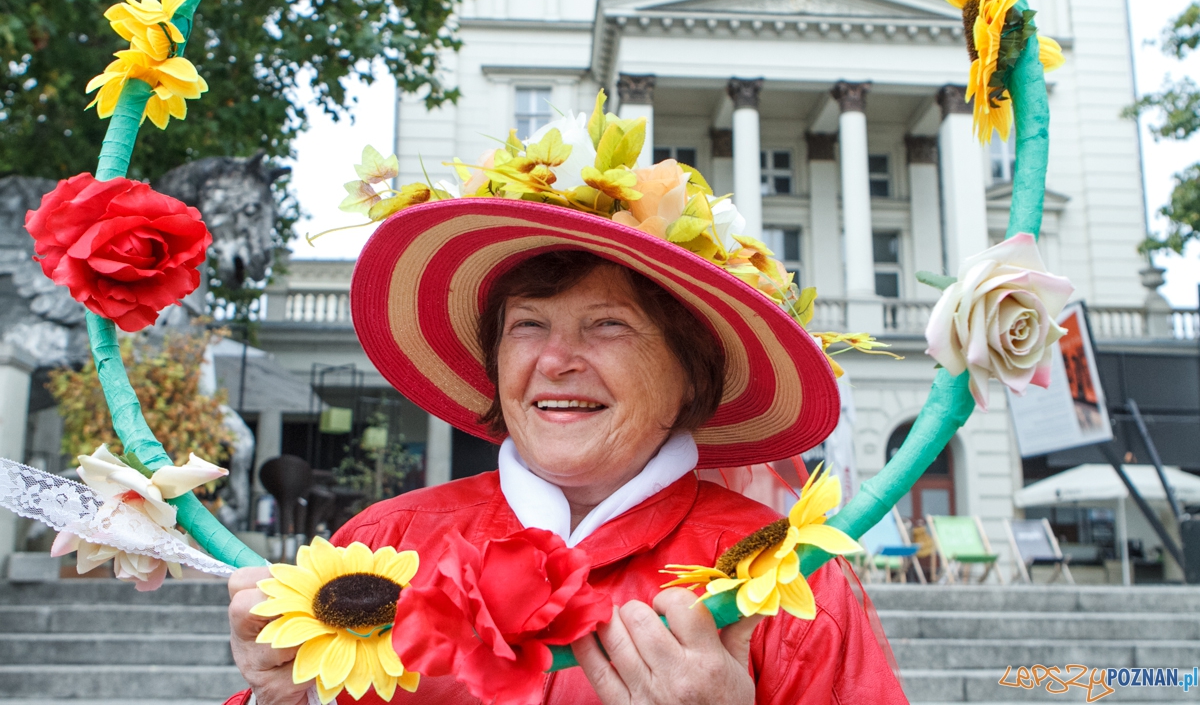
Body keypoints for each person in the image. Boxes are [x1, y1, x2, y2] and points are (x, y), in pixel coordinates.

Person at [223, 198, 908, 705]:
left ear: (692, 374)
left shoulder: (792, 579)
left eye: (608, 324)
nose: (554, 361)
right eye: (527, 325)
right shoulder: (376, 546)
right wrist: (275, 700)